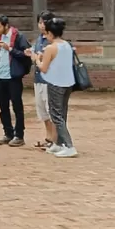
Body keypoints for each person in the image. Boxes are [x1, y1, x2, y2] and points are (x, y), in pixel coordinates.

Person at [36, 16, 78, 158]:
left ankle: (68, 145)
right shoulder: (67, 45)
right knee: (62, 114)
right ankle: (59, 143)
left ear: (50, 33)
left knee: (56, 115)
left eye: (47, 33)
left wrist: (36, 60)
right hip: (68, 83)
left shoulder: (51, 47)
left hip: (55, 83)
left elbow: (44, 68)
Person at [0, 15, 30, 147]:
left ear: (6, 25)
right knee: (3, 107)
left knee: (17, 106)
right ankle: (8, 133)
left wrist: (11, 50)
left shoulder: (18, 36)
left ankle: (19, 135)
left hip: (13, 76)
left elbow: (26, 54)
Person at [28, 12, 55, 150]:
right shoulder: (39, 39)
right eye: (39, 22)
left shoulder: (52, 40)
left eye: (43, 22)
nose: (41, 25)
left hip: (48, 79)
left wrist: (37, 58)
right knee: (42, 110)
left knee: (50, 110)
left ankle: (55, 139)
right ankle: (48, 136)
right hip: (38, 78)